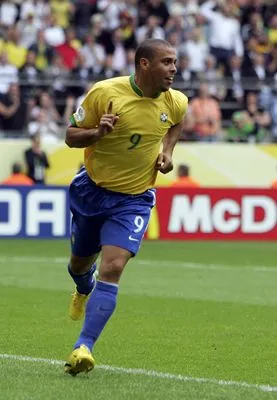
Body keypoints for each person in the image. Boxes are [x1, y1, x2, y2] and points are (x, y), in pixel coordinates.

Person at [64, 38, 188, 376]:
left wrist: (168, 151)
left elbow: (177, 122)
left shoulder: (175, 101)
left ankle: (83, 347)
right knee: (79, 264)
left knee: (114, 267)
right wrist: (96, 133)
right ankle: (81, 286)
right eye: (166, 62)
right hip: (92, 190)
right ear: (144, 64)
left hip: (134, 199)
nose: (173, 69)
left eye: (174, 62)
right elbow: (70, 136)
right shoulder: (105, 93)